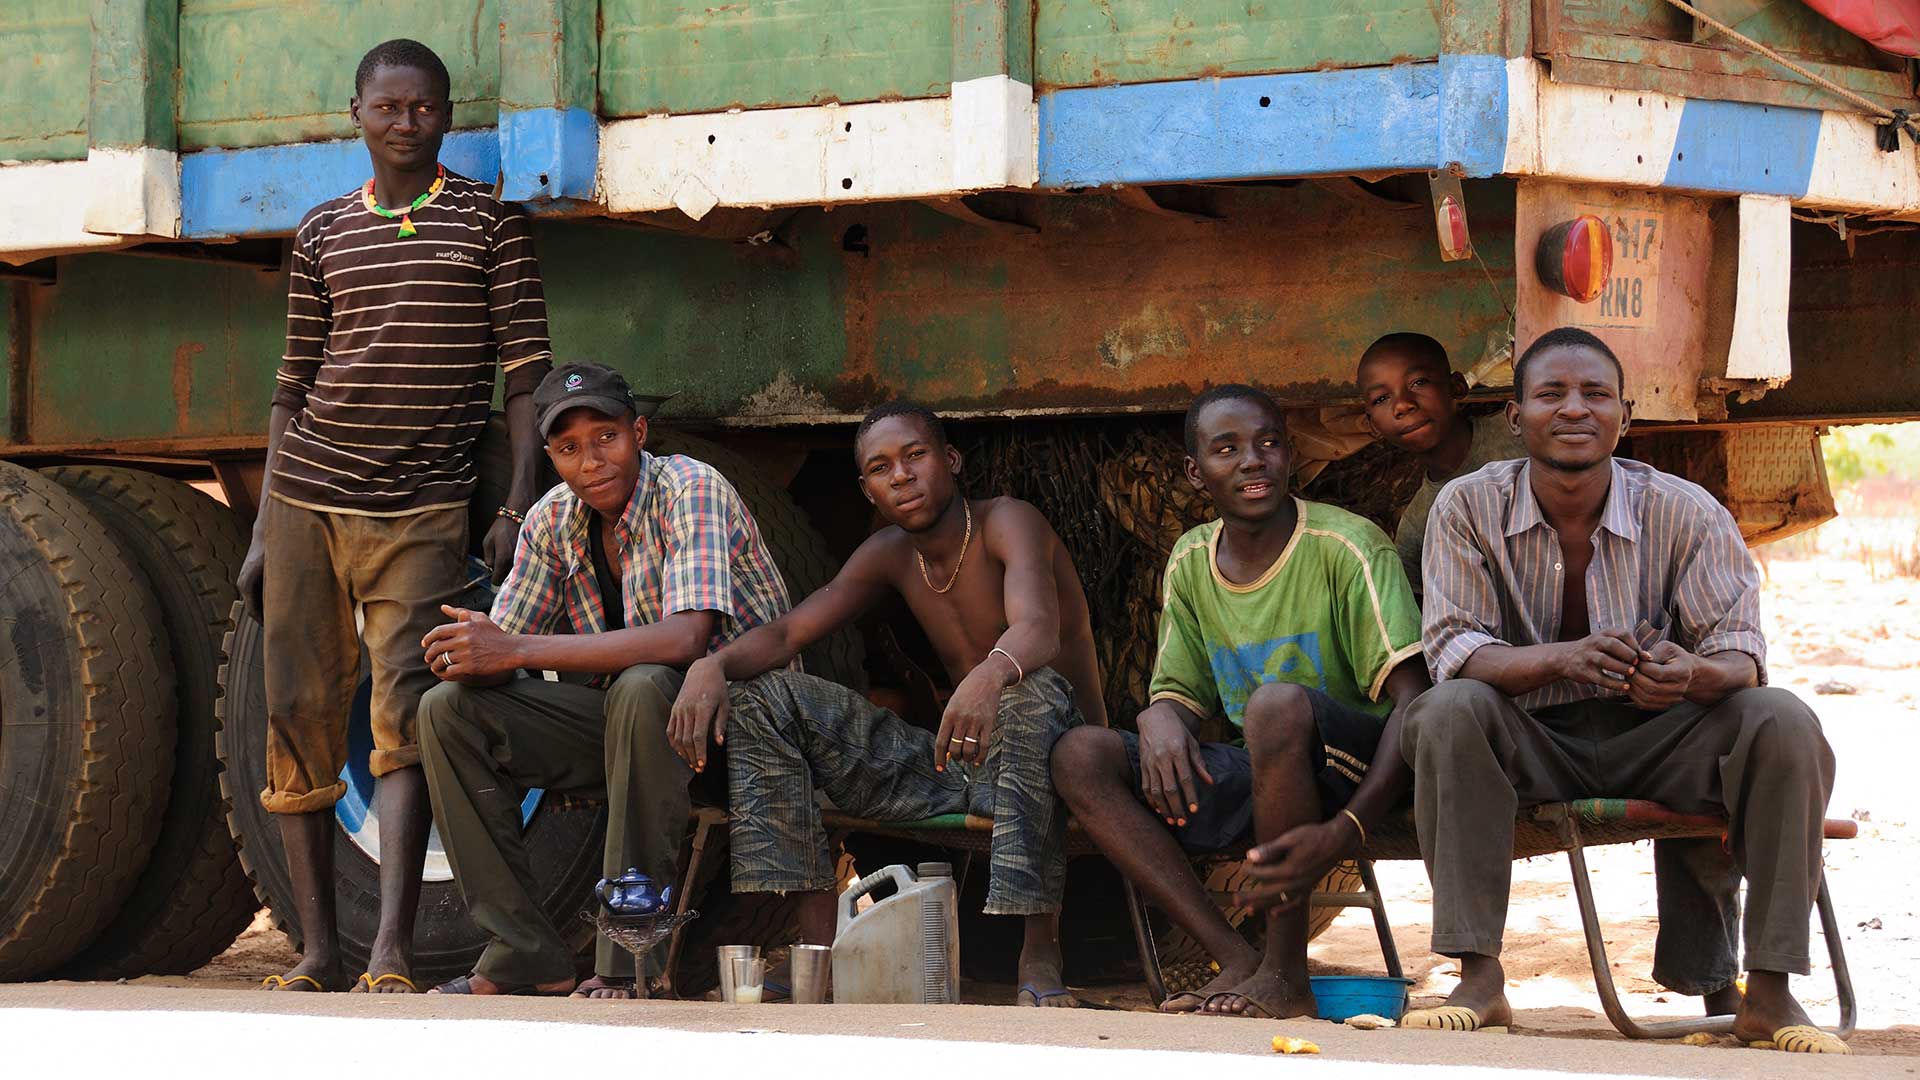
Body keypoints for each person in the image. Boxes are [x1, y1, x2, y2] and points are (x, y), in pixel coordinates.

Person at [1403, 327, 1844, 1054]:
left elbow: (1741, 655)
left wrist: (1689, 673)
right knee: (1447, 711)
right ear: (1514, 418)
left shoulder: (1686, 510)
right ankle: (1479, 977)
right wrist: (1566, 658)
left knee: (1782, 719)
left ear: (1625, 416)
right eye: (1551, 394)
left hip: (1660, 735)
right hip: (1531, 739)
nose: (1574, 409)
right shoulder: (1465, 506)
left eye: (1595, 394)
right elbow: (1457, 651)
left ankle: (1768, 991)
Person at [236, 38, 553, 994]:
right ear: (357, 113)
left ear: (447, 118)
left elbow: (527, 379)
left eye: (423, 107)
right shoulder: (323, 232)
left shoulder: (490, 224)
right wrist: (259, 528)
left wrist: (515, 501)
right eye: (388, 106)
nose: (405, 121)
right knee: (295, 715)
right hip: (305, 503)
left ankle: (389, 953)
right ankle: (319, 951)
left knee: (404, 718)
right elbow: (293, 388)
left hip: (422, 509)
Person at [670, 402, 1107, 1006]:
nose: (901, 476)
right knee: (763, 699)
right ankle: (816, 948)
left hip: (1062, 758)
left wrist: (989, 675)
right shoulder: (890, 551)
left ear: (950, 460)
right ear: (867, 490)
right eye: (881, 468)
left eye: (915, 456)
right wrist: (710, 665)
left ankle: (1038, 950)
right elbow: (789, 634)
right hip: (961, 766)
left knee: (1028, 691)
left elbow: (1038, 629)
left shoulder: (1010, 520)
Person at [1051, 384, 1429, 1019]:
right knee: (1079, 754)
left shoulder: (1346, 545)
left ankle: (1287, 975)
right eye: (1228, 450)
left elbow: (1414, 700)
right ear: (1197, 473)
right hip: (1266, 772)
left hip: (1356, 768)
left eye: (1269, 443)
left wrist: (1351, 827)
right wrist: (1159, 718)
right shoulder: (1192, 558)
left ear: (1288, 458)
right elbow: (1180, 692)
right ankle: (1236, 958)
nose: (1253, 460)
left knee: (1274, 707)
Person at [416, 362, 792, 999]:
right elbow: (504, 644)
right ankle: (525, 953)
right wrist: (465, 650)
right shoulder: (551, 521)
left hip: (745, 736)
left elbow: (684, 640)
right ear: (550, 457)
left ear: (639, 432)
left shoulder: (689, 488)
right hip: (636, 735)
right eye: (567, 448)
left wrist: (511, 649)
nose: (590, 461)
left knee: (643, 683)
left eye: (606, 438)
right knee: (446, 709)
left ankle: (628, 959)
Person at [1354, 332, 1522, 595]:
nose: (1402, 405)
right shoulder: (1418, 527)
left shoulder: (1520, 433)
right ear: (1372, 424)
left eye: (1418, 382)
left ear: (1456, 387)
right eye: (1381, 399)